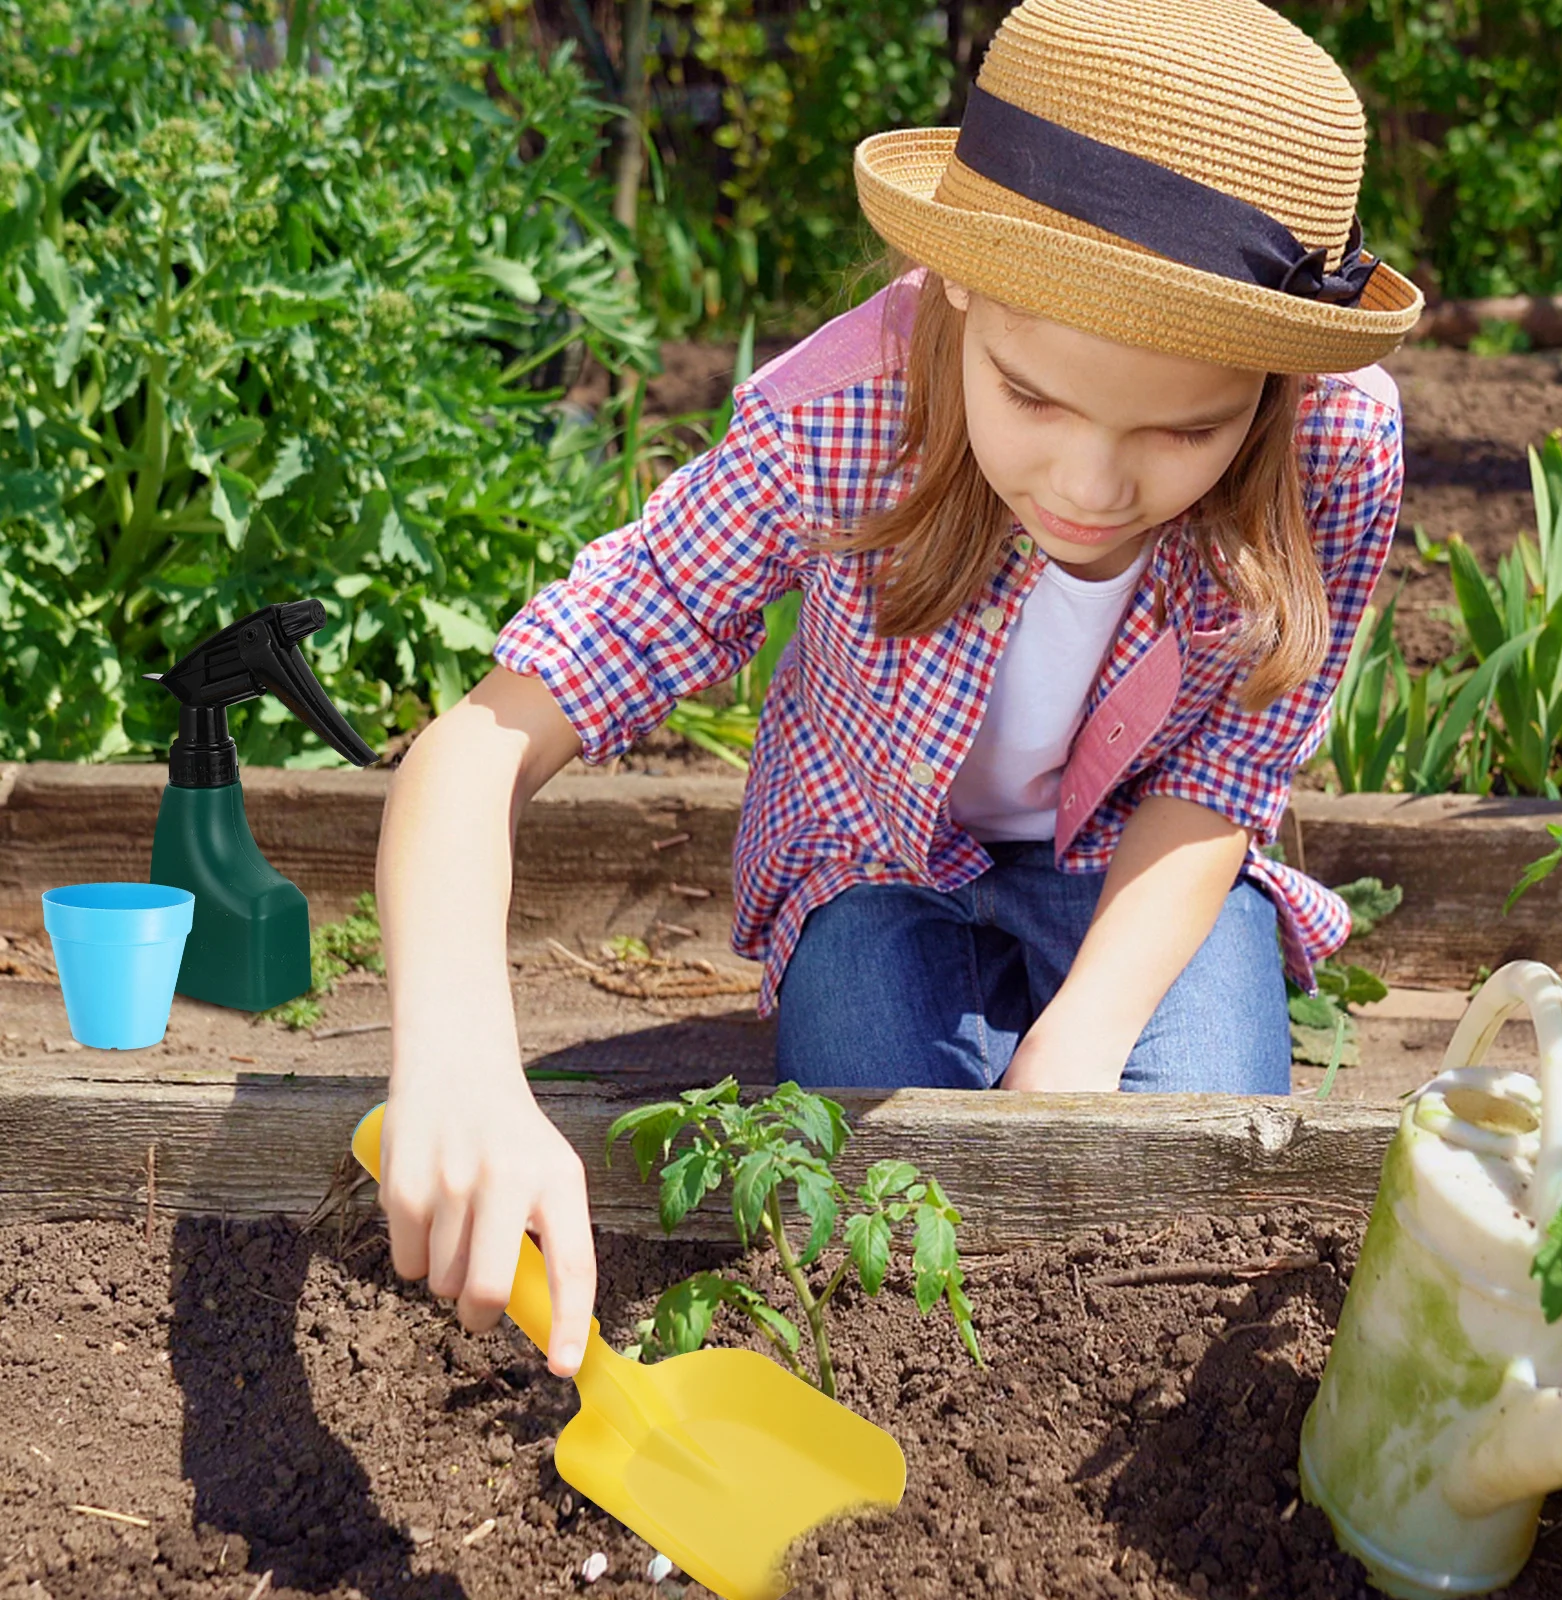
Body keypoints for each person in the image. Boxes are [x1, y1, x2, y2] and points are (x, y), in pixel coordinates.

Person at [371, 0, 1424, 1373]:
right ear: (961, 286)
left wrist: (1084, 1043)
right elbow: (480, 741)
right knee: (878, 1203)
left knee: (1184, 1205)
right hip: (870, 858)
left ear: (1276, 382)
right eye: (1034, 399)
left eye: (1186, 430)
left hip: (1140, 862)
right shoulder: (837, 421)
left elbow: (1225, 776)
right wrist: (457, 1052)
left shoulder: (1331, 445)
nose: (1093, 487)